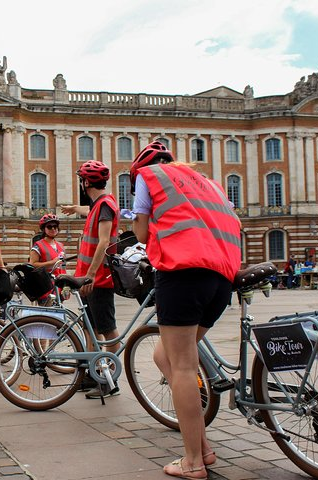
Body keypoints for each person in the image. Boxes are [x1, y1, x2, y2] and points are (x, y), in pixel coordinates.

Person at [130, 141, 242, 479]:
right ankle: (203, 447)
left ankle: (192, 462)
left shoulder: (148, 176)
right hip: (222, 278)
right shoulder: (208, 183)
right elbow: (232, 222)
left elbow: (141, 228)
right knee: (165, 355)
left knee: (180, 366)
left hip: (183, 273)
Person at [61, 160, 120, 399]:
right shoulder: (98, 205)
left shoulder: (105, 205)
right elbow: (91, 211)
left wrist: (91, 276)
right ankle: (94, 374)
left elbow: (104, 241)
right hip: (89, 278)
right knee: (92, 328)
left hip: (99, 279)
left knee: (108, 330)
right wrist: (76, 208)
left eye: (82, 181)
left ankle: (110, 378)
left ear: (86, 182)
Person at [29, 213, 67, 305]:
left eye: (55, 226)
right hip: (45, 287)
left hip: (60, 287)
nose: (53, 229)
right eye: (49, 227)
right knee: (47, 316)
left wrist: (66, 285)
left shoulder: (61, 246)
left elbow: (63, 267)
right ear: (44, 229)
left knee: (60, 315)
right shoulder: (38, 245)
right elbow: (32, 264)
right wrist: (52, 262)